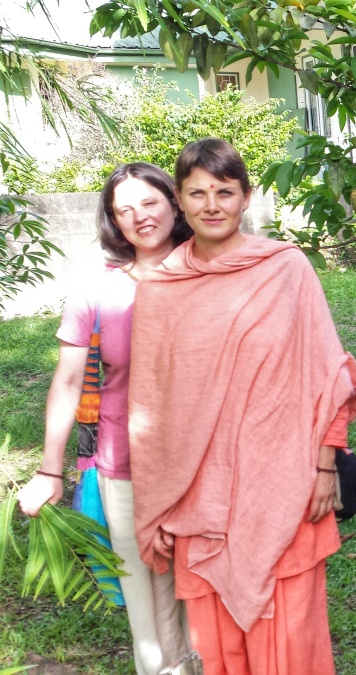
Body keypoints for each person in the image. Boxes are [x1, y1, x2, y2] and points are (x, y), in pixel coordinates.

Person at [127, 138, 356, 674]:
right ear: (179, 201)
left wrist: (325, 465)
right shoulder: (162, 287)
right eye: (198, 193)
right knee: (217, 654)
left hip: (282, 484)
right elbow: (151, 407)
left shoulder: (285, 269)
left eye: (224, 191)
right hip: (200, 498)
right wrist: (160, 502)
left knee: (290, 643)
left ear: (246, 197)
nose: (212, 204)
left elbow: (326, 373)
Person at [17, 163, 192, 675]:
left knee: (207, 605)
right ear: (113, 222)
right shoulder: (97, 291)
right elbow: (68, 383)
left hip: (204, 467)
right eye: (124, 209)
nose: (140, 217)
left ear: (174, 202)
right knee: (149, 616)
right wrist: (50, 470)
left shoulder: (210, 272)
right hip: (125, 469)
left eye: (150, 202)